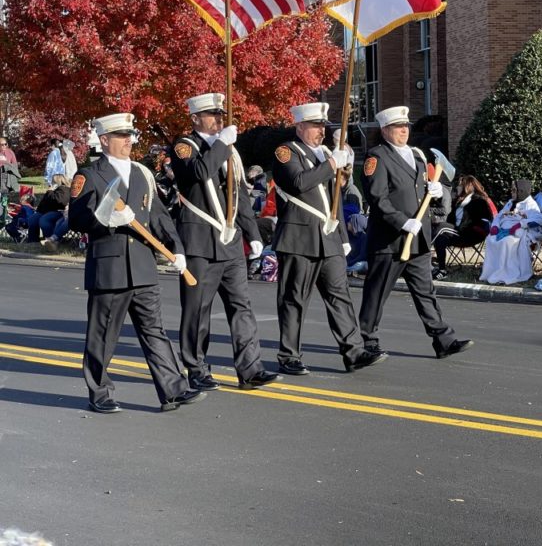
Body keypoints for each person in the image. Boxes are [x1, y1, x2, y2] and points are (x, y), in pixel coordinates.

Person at [68, 113, 205, 413]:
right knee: (103, 335)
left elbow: (158, 217)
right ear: (104, 140)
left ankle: (173, 390)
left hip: (143, 265)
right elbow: (75, 218)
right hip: (110, 268)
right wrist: (106, 220)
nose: (128, 140)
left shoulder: (142, 174)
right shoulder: (90, 175)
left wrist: (176, 248)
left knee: (154, 331)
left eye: (130, 134)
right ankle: (100, 392)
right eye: (121, 135)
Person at [169, 92, 279, 391]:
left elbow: (239, 196)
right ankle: (197, 368)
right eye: (211, 115)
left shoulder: (227, 150)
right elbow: (199, 172)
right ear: (195, 118)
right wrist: (221, 145)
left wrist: (253, 234)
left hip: (230, 244)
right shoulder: (183, 146)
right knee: (198, 310)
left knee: (241, 307)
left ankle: (250, 368)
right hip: (200, 244)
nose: (218, 119)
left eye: (220, 114)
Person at [271, 102, 387, 375]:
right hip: (299, 237)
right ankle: (289, 356)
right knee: (294, 299)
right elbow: (299, 183)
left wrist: (343, 235)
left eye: (323, 126)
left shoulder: (324, 153)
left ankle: (354, 351)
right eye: (315, 125)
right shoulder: (286, 152)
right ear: (300, 126)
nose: (321, 131)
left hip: (328, 238)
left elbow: (333, 202)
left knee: (340, 296)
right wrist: (332, 164)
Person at [359, 105, 474, 359]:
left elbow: (419, 192)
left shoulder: (418, 156)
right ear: (385, 130)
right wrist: (402, 222)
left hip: (418, 238)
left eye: (406, 127)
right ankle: (368, 340)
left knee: (426, 291)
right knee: (378, 291)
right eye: (398, 127)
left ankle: (443, 339)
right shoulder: (376, 158)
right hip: (390, 240)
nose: (404, 131)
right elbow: (378, 200)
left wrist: (434, 194)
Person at [479, 179, 542, 285]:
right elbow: (499, 216)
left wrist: (520, 224)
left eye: (514, 190)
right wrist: (495, 226)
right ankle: (491, 272)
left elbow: (539, 219)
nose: (511, 192)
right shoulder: (510, 203)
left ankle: (507, 273)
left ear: (521, 191)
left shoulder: (531, 204)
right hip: (503, 229)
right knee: (490, 239)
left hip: (519, 232)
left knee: (507, 242)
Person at [432, 175, 494, 280]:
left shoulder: (479, 201)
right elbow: (450, 219)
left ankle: (420, 257)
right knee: (440, 238)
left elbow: (487, 219)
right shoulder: (458, 202)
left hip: (470, 234)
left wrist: (472, 227)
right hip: (457, 233)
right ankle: (442, 270)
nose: (457, 187)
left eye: (460, 185)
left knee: (441, 227)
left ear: (467, 186)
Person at [25, 174, 70, 242]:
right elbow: (44, 202)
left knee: (44, 220)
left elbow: (60, 201)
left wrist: (50, 192)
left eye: (53, 181)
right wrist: (38, 209)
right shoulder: (53, 190)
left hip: (59, 211)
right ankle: (33, 240)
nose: (51, 183)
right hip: (46, 211)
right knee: (33, 218)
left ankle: (50, 239)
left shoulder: (64, 189)